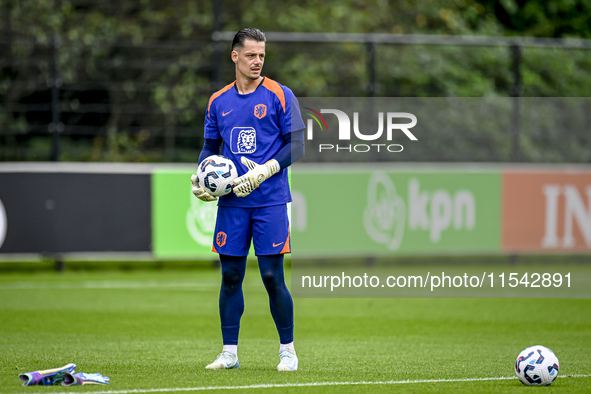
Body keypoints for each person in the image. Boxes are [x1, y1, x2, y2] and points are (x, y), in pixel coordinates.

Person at [190, 28, 305, 371]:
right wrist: (200, 178)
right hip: (233, 204)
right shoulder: (218, 101)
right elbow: (210, 149)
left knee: (272, 276)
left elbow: (296, 145)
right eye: (251, 55)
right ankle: (229, 353)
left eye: (262, 56)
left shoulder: (280, 95)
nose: (257, 61)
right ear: (235, 56)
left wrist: (265, 170)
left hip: (269, 199)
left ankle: (288, 351)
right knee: (230, 276)